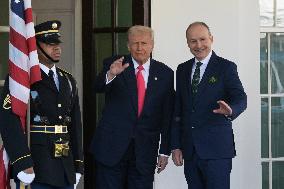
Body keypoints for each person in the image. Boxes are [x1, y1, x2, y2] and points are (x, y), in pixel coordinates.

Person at [0, 20, 83, 189]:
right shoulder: (23, 79)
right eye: (50, 43)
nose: (57, 48)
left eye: (57, 43)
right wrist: (22, 160)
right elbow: (9, 121)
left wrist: (77, 164)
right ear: (35, 46)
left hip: (64, 165)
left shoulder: (68, 80)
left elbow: (75, 125)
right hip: (36, 165)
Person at [90, 25, 174, 189]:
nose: (139, 48)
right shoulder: (115, 64)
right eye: (135, 43)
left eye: (144, 43)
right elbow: (97, 87)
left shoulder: (165, 73)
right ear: (128, 45)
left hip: (144, 152)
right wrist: (111, 74)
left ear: (152, 45)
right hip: (111, 148)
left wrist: (164, 151)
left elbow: (167, 114)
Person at [171, 21, 247, 189]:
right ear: (187, 43)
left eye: (202, 39)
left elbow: (241, 97)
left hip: (217, 151)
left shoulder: (226, 67)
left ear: (211, 39)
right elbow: (178, 109)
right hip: (190, 150)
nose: (198, 45)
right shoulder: (182, 69)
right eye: (193, 41)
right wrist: (175, 145)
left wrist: (231, 110)